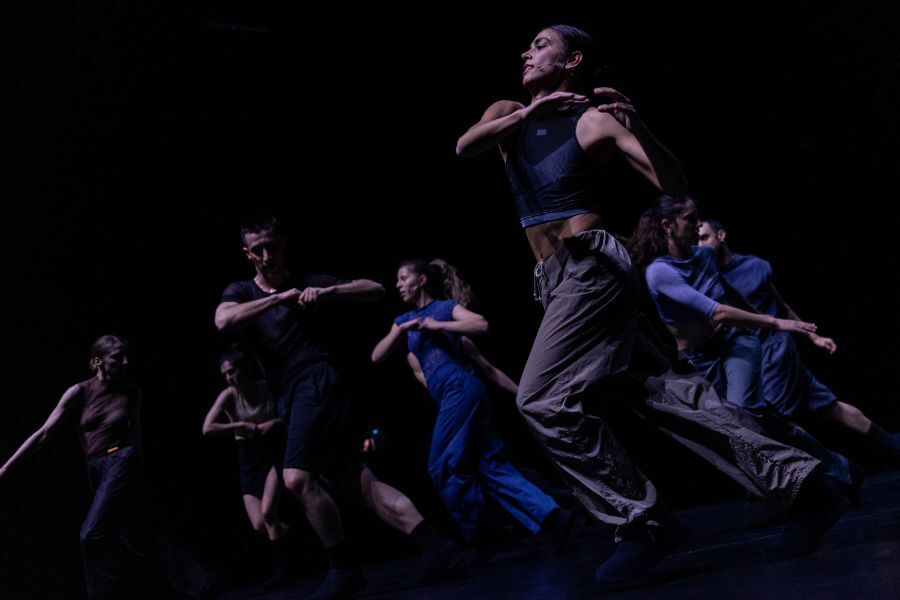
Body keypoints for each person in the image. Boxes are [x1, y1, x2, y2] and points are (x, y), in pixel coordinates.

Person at [456, 24, 846, 586]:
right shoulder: (508, 112)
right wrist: (524, 116)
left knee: (541, 401)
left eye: (542, 45)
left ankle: (644, 522)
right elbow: (465, 146)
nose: (527, 51)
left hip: (592, 269)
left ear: (574, 60)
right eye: (528, 45)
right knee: (657, 393)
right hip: (554, 279)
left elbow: (673, 181)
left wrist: (637, 124)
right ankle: (807, 487)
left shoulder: (591, 120)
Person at [215, 215, 473, 599]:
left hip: (316, 381)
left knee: (296, 479)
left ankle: (343, 568)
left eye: (272, 245)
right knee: (356, 479)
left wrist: (329, 293)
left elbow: (374, 289)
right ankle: (439, 546)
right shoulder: (242, 290)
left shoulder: (309, 279)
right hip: (290, 392)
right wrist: (278, 299)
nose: (267, 255)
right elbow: (223, 320)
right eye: (258, 250)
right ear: (247, 253)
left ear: (283, 242)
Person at [630, 194, 856, 489]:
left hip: (734, 343)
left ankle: (806, 486)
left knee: (741, 415)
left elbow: (729, 296)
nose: (698, 227)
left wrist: (764, 320)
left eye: (699, 218)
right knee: (763, 423)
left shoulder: (705, 256)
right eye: (691, 219)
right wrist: (778, 322)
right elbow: (717, 309)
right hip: (700, 360)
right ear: (668, 226)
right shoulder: (660, 272)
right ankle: (836, 466)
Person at [371, 258, 572, 554]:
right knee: (489, 465)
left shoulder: (441, 309)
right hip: (451, 397)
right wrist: (401, 330)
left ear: (422, 280)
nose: (398, 285)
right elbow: (376, 357)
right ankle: (552, 518)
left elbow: (480, 324)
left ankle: (483, 533)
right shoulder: (403, 323)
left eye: (403, 278)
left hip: (461, 388)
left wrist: (437, 324)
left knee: (441, 463)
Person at [0, 335, 215, 599]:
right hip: (96, 468)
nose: (125, 362)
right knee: (136, 536)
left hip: (123, 461)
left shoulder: (132, 391)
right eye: (117, 357)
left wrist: (138, 470)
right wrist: (7, 467)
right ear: (97, 361)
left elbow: (136, 431)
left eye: (126, 356)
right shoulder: (79, 392)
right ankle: (202, 584)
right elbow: (45, 432)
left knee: (90, 534)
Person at [698, 218, 900, 458]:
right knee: (828, 405)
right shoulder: (706, 277)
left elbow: (780, 305)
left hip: (774, 351)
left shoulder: (754, 266)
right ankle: (890, 444)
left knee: (771, 421)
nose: (700, 246)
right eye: (696, 241)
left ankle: (826, 470)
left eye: (704, 238)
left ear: (720, 236)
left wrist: (813, 337)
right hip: (751, 357)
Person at [202, 347, 292, 589]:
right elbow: (207, 427)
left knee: (268, 513)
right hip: (248, 455)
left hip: (272, 450)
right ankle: (292, 541)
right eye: (226, 375)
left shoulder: (265, 386)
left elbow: (288, 417)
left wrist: (273, 423)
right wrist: (240, 425)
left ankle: (284, 572)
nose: (230, 378)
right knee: (258, 523)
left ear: (244, 368)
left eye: (233, 371)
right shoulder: (229, 395)